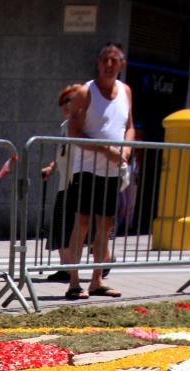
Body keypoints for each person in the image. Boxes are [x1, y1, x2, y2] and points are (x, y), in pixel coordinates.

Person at [63, 42, 134, 300]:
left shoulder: (126, 91)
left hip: (113, 172)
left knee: (105, 226)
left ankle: (97, 281)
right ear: (98, 63)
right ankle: (74, 282)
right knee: (81, 224)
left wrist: (126, 150)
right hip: (87, 169)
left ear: (122, 64)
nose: (109, 65)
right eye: (105, 60)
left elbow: (129, 126)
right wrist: (105, 149)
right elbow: (74, 132)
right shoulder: (85, 92)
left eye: (115, 60)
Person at [41, 85, 82, 283]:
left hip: (78, 184)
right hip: (64, 184)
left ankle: (102, 263)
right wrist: (51, 167)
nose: (66, 105)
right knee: (60, 227)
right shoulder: (65, 126)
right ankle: (65, 268)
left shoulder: (82, 126)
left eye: (70, 101)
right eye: (63, 102)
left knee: (77, 229)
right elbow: (62, 153)